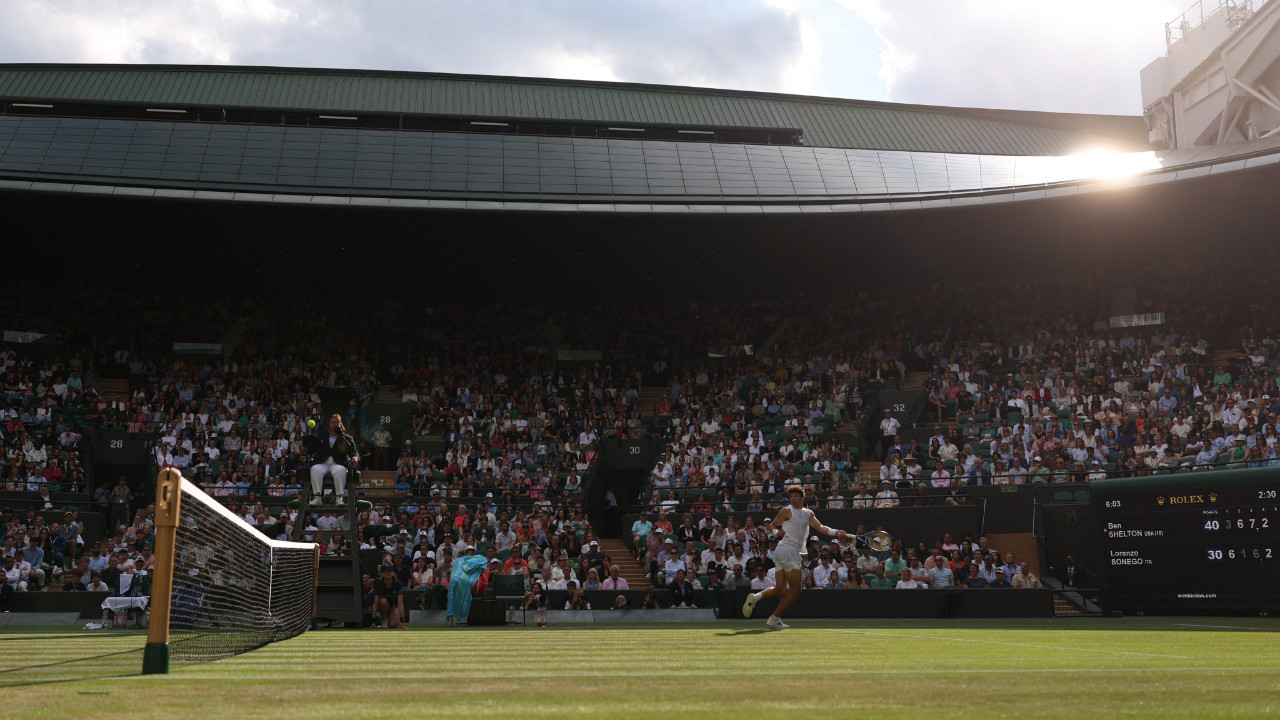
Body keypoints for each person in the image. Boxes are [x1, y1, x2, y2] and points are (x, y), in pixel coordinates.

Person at [742, 484, 850, 630]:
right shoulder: (786, 510)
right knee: (796, 589)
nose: (793, 499)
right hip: (788, 551)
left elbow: (820, 527)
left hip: (783, 552)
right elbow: (772, 525)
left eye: (795, 496)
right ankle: (774, 619)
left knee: (780, 589)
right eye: (791, 497)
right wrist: (776, 533)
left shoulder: (808, 513)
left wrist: (837, 532)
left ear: (802, 498)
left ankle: (755, 598)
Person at [309, 414, 360, 505]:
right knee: (315, 469)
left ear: (340, 424)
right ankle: (317, 498)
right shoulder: (321, 435)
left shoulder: (346, 438)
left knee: (340, 470)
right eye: (332, 422)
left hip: (338, 463)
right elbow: (312, 449)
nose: (334, 424)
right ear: (329, 424)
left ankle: (339, 498)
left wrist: (355, 458)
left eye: (336, 422)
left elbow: (354, 452)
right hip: (322, 463)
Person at [371, 563, 407, 628]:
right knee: (383, 601)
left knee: (393, 624)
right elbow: (375, 603)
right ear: (382, 574)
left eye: (389, 571)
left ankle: (389, 618)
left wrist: (402, 621)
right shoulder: (378, 584)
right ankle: (384, 619)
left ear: (393, 573)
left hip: (393, 606)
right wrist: (373, 621)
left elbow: (400, 604)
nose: (387, 573)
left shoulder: (398, 584)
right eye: (385, 571)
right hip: (382, 605)